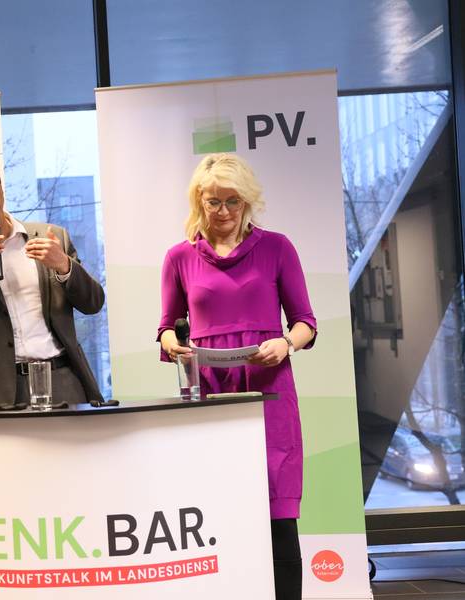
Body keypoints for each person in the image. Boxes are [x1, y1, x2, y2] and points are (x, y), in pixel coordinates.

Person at [157, 153, 316, 600]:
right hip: (210, 395)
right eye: (213, 201)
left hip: (269, 391)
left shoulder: (277, 248)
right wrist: (173, 343)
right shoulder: (178, 257)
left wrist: (286, 343)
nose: (223, 211)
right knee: (217, 512)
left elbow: (305, 322)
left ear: (247, 201)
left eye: (233, 201)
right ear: (198, 201)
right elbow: (166, 326)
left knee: (278, 514)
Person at [0, 149, 105, 407]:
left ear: (1, 186)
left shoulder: (51, 237)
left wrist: (63, 265)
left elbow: (94, 303)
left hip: (61, 381)